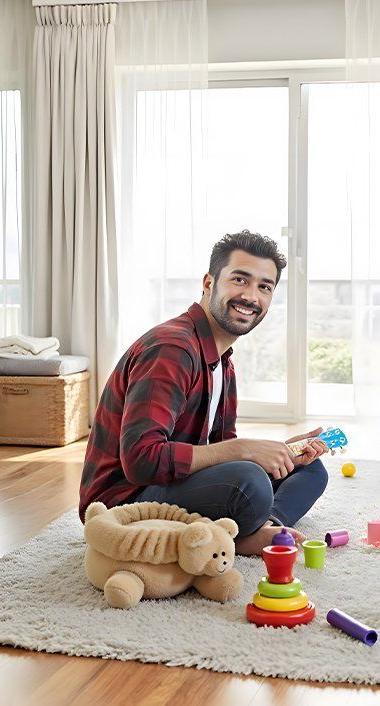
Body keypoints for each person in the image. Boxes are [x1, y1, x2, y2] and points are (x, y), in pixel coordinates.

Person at [79, 231, 331, 556]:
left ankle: (263, 527)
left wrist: (278, 452)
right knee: (249, 481)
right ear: (209, 282)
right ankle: (242, 534)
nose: (251, 296)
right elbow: (142, 461)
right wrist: (246, 451)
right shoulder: (172, 349)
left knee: (309, 469)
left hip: (169, 486)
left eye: (264, 287)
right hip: (123, 502)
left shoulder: (222, 361)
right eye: (240, 279)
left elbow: (218, 451)